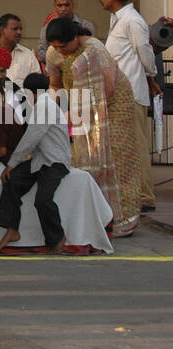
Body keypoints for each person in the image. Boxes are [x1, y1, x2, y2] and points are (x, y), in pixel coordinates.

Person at [45, 17, 141, 237]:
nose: (61, 51)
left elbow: (107, 87)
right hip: (79, 104)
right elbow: (55, 84)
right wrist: (55, 108)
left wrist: (82, 112)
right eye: (56, 47)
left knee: (115, 155)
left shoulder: (94, 48)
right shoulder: (53, 53)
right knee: (84, 157)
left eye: (64, 46)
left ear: (76, 38)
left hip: (113, 103)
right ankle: (93, 216)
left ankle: (122, 219)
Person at [0, 72, 70, 253]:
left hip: (54, 162)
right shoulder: (43, 105)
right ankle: (12, 228)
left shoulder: (45, 106)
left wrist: (12, 162)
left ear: (31, 92)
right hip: (40, 160)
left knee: (42, 200)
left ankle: (57, 238)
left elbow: (30, 139)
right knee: (11, 180)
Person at [98, 0, 157, 213]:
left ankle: (144, 196)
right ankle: (131, 193)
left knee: (138, 146)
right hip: (119, 94)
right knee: (124, 147)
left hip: (131, 92)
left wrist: (151, 74)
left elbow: (145, 52)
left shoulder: (132, 21)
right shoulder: (118, 20)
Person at [37, 0, 94, 66]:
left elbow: (89, 50)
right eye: (60, 5)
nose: (63, 9)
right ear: (55, 6)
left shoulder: (85, 25)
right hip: (55, 72)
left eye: (67, 5)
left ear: (73, 5)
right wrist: (59, 63)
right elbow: (41, 53)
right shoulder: (47, 28)